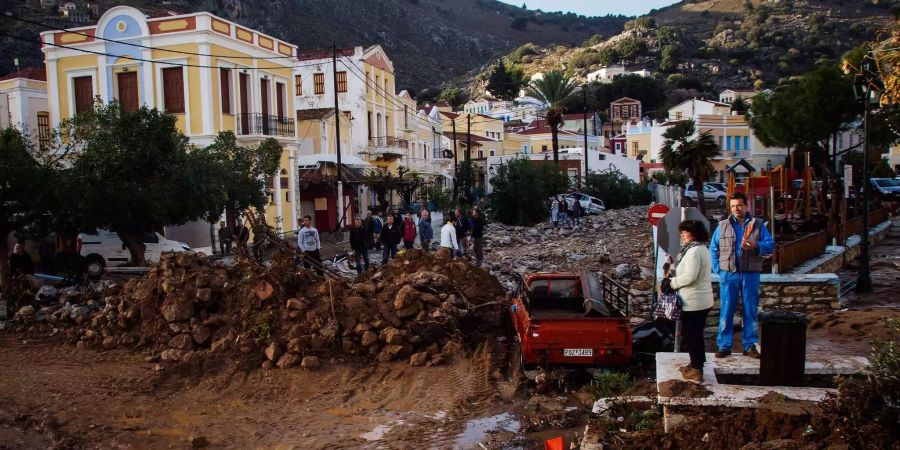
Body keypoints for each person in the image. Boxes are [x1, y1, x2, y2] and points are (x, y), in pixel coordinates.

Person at [710, 192, 775, 359]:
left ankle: (750, 345)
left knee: (750, 310)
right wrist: (719, 269)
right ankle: (724, 346)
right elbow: (713, 248)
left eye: (739, 205)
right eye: (732, 206)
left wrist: (756, 245)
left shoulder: (758, 225)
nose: (736, 209)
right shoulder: (723, 225)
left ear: (746, 206)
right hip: (729, 274)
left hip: (750, 274)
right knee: (726, 310)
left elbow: (770, 245)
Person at [661, 220, 713, 383]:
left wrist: (671, 283)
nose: (681, 235)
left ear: (694, 233)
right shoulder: (697, 249)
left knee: (693, 336)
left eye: (685, 232)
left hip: (694, 302)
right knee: (694, 335)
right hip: (698, 300)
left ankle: (697, 370)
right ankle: (696, 364)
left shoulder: (694, 251)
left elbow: (690, 277)